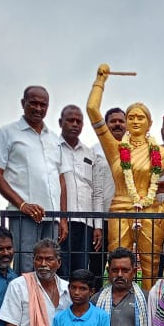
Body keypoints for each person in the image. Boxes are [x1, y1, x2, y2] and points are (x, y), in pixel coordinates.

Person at [86, 65, 164, 289]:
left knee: (150, 264)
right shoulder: (114, 149)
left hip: (152, 213)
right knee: (117, 261)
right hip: (119, 210)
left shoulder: (163, 154)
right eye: (131, 117)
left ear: (149, 123)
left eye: (140, 118)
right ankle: (116, 305)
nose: (135, 121)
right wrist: (100, 81)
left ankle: (149, 308)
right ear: (125, 121)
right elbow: (92, 110)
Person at [0, 85, 68, 269]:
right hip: (23, 215)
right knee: (26, 268)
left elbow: (61, 180)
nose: (38, 108)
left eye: (43, 104)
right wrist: (22, 204)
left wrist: (63, 218)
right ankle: (25, 299)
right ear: (23, 103)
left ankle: (45, 300)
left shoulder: (54, 139)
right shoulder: (7, 133)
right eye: (33, 103)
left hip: (52, 217)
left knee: (49, 268)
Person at [56, 104, 103, 276]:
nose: (75, 124)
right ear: (61, 122)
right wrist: (61, 219)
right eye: (70, 120)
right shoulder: (53, 149)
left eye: (79, 121)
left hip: (86, 224)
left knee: (81, 271)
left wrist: (98, 226)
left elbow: (97, 192)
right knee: (61, 269)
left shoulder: (90, 154)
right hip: (61, 222)